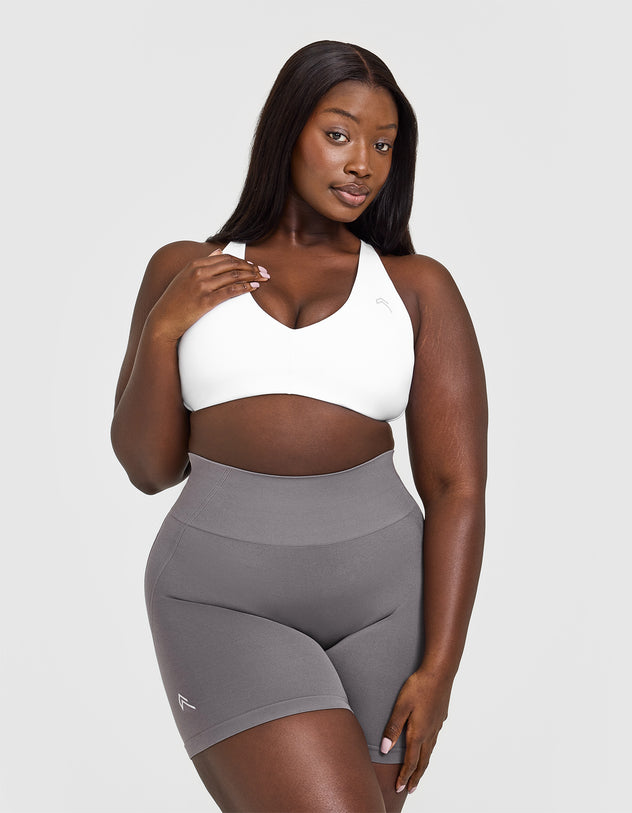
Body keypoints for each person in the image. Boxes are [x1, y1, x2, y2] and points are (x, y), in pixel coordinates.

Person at [111, 39, 487, 813]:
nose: (363, 164)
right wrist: (163, 328)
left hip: (389, 606)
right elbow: (148, 468)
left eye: (384, 145)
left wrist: (440, 668)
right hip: (220, 600)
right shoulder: (185, 269)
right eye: (340, 134)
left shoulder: (414, 287)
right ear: (287, 131)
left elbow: (457, 487)